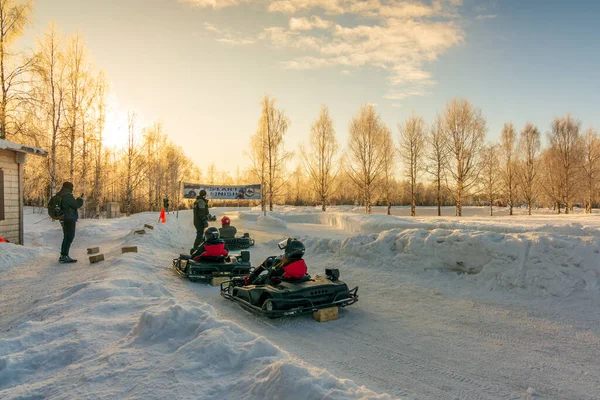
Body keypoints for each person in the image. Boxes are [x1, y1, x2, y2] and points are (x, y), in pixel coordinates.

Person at [57, 182, 84, 264]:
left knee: (66, 236)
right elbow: (76, 205)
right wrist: (80, 200)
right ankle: (64, 256)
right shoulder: (67, 195)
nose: (72, 189)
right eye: (72, 187)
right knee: (70, 237)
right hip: (69, 218)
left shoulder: (60, 194)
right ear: (69, 187)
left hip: (63, 218)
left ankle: (63, 255)